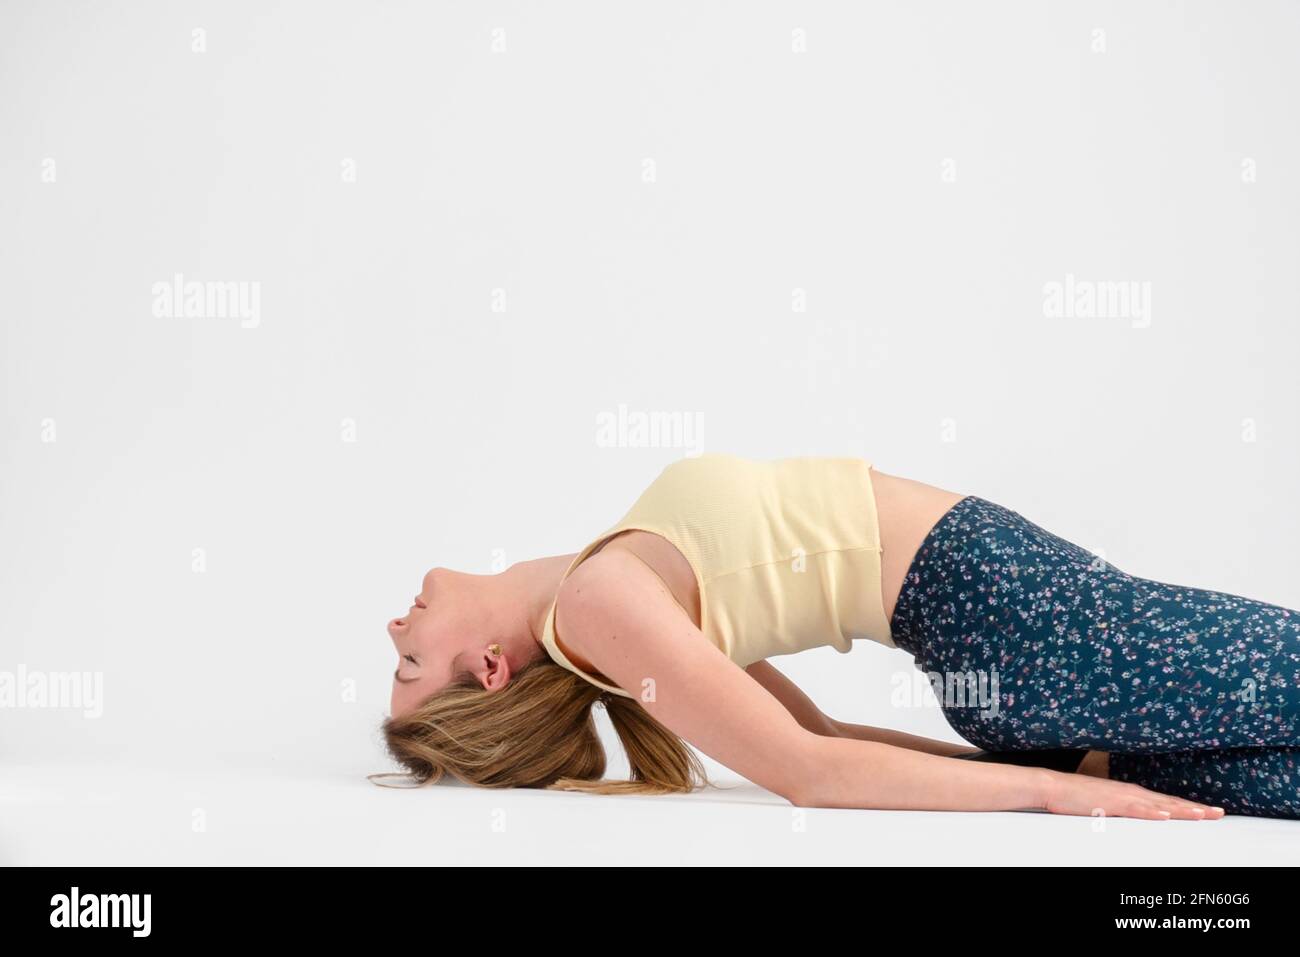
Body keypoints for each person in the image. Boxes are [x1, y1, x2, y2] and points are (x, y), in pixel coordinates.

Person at [379, 452, 1300, 819]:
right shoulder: (597, 604)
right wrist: (1050, 793)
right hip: (1032, 627)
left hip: (1025, 634)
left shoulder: (613, 597)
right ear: (490, 670)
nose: (396, 625)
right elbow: (808, 771)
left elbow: (818, 739)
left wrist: (1067, 769)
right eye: (409, 663)